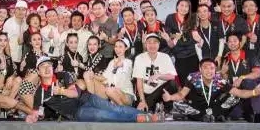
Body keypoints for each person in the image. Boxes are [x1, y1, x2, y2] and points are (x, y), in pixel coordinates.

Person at [25, 57, 160, 123]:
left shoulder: (63, 75)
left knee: (115, 108)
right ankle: (138, 118)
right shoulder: (39, 93)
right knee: (104, 115)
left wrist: (61, 91)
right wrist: (31, 117)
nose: (47, 68)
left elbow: (75, 93)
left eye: (49, 65)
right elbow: (36, 112)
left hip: (88, 98)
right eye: (43, 66)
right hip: (77, 112)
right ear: (38, 71)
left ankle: (148, 114)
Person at [162, 58, 260, 122]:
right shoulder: (192, 78)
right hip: (198, 108)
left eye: (212, 68)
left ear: (215, 70)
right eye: (205, 68)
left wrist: (254, 92)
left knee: (235, 97)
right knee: (177, 103)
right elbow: (181, 95)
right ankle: (208, 117)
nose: (209, 71)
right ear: (200, 69)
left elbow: (239, 92)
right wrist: (170, 97)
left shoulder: (219, 80)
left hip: (216, 107)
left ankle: (213, 116)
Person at [133, 33, 178, 113]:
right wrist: (142, 100)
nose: (152, 45)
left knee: (172, 84)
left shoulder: (165, 57)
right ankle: (154, 106)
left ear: (159, 44)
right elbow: (139, 82)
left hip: (160, 91)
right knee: (144, 111)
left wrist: (159, 75)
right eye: (149, 42)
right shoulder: (139, 58)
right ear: (145, 45)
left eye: (155, 42)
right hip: (146, 93)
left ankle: (167, 109)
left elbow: (172, 76)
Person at [165, 0, 197, 83]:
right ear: (177, 6)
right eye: (182, 5)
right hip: (179, 54)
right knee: (183, 80)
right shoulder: (170, 17)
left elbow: (194, 34)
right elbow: (168, 34)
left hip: (192, 53)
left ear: (189, 9)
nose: (184, 8)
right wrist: (175, 36)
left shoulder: (192, 18)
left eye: (186, 6)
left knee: (194, 80)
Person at [99, 39, 135, 106]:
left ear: (126, 48)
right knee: (107, 89)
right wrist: (94, 76)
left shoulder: (128, 62)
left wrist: (120, 64)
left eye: (120, 46)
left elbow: (125, 67)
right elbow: (105, 77)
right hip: (112, 93)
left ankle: (124, 109)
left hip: (127, 95)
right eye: (116, 46)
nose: (117, 49)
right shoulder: (112, 62)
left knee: (109, 90)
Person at [2, 0, 28, 68]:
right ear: (15, 10)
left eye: (23, 10)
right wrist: (10, 59)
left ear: (26, 11)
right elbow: (5, 42)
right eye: (18, 9)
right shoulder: (9, 23)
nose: (21, 12)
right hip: (12, 58)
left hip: (23, 60)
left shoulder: (27, 23)